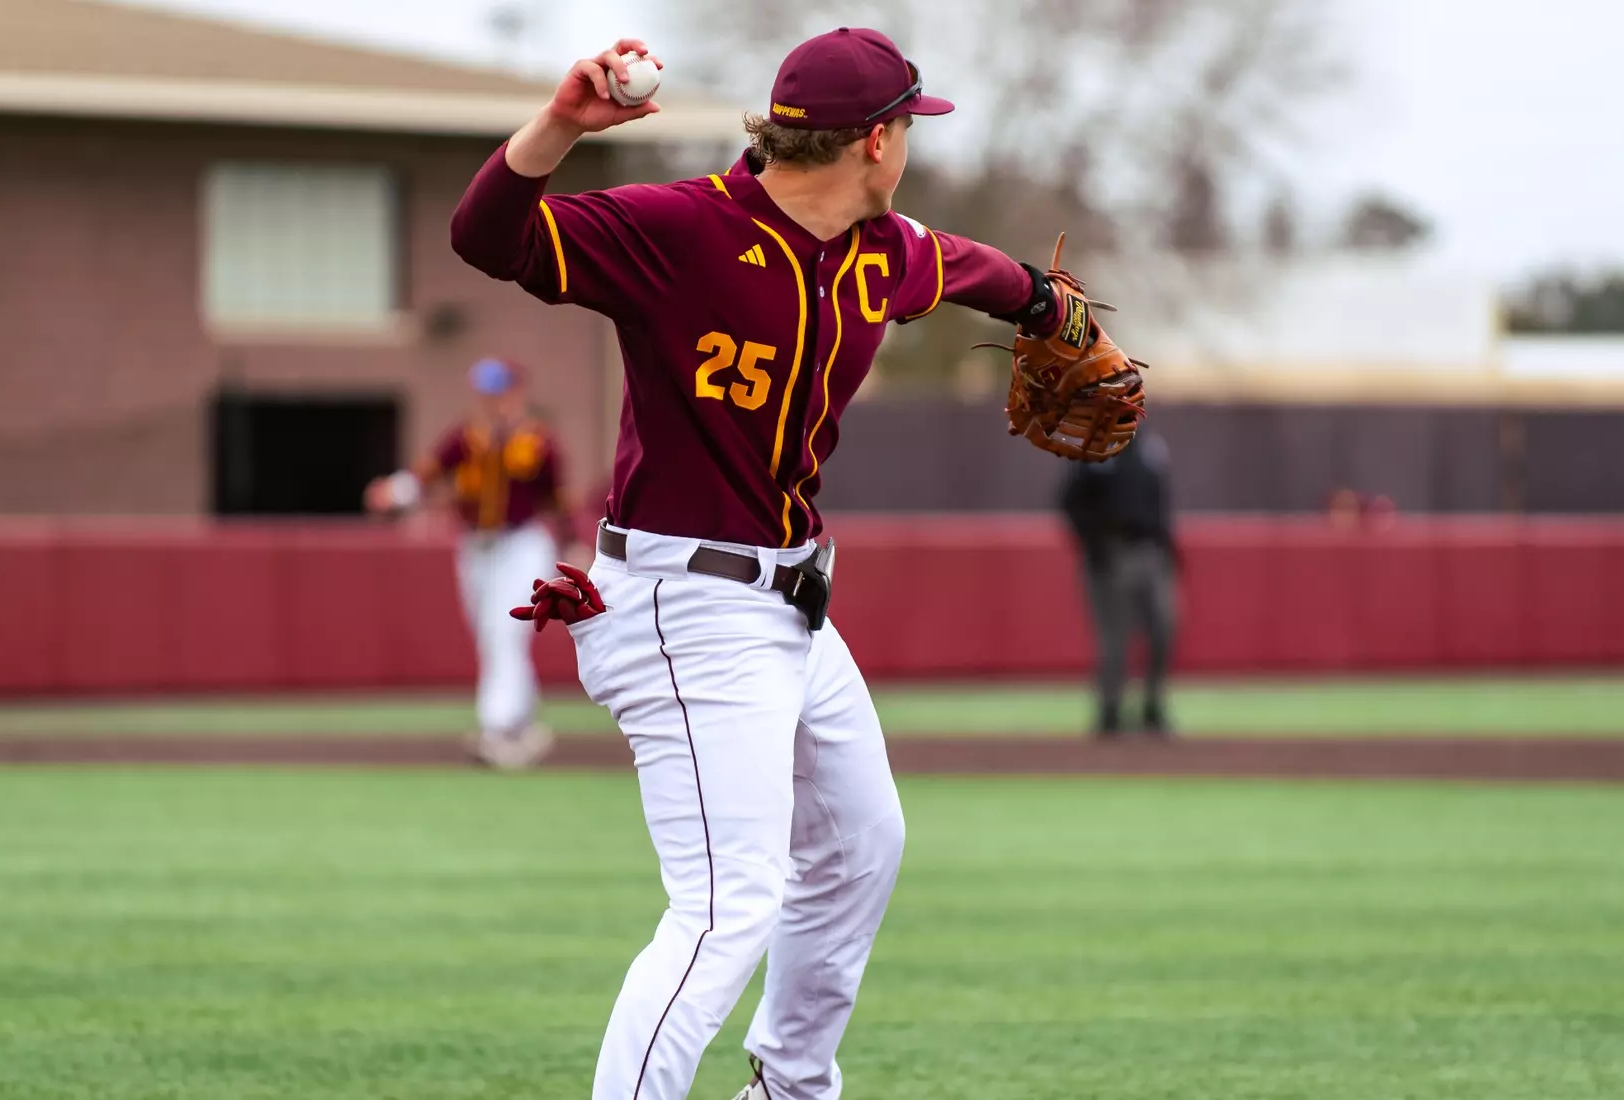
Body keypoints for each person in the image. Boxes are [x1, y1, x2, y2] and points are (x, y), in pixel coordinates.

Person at [450, 29, 1100, 1100]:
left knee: (861, 842)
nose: (912, 151)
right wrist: (562, 124)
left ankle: (790, 1088)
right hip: (683, 599)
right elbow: (489, 237)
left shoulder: (878, 247)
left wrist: (1042, 298)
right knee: (724, 905)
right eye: (910, 129)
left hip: (790, 604)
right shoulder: (680, 226)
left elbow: (969, 266)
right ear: (879, 140)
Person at [364, 357, 573, 769]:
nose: (491, 399)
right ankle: (523, 726)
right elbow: (425, 475)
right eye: (486, 391)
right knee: (491, 636)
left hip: (523, 544)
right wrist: (394, 493)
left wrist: (572, 546)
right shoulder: (467, 436)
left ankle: (495, 728)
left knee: (503, 632)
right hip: (477, 546)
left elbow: (558, 501)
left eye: (499, 390)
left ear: (517, 392)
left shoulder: (538, 441)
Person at [1058, 423, 1179, 737]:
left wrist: (1168, 547)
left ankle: (1152, 706)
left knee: (1163, 629)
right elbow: (1071, 501)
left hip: (1152, 551)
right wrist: (1095, 547)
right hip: (1113, 553)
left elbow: (1160, 501)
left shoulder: (1151, 446)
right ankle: (1110, 711)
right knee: (1115, 639)